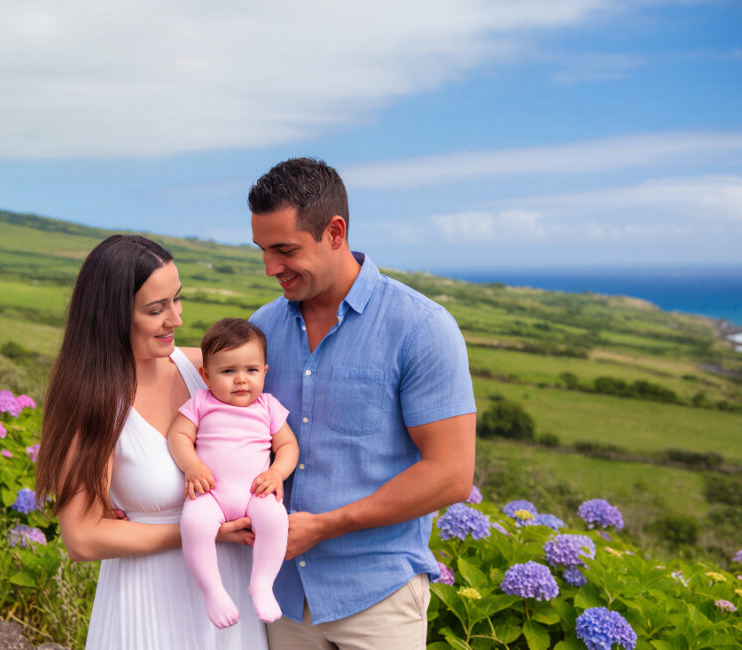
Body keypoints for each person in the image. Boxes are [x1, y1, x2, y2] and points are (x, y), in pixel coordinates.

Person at [247, 158, 477, 649]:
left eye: (284, 250)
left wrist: (327, 526)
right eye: (262, 251)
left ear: (335, 231)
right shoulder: (261, 329)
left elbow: (452, 474)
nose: (270, 269)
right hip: (282, 598)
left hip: (379, 598)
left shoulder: (422, 328)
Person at [34, 235, 268, 649]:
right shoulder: (93, 401)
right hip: (148, 602)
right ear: (111, 316)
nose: (175, 319)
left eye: (177, 300)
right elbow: (83, 538)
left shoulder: (206, 370)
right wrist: (203, 531)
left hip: (231, 598)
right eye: (156, 309)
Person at [168, 318, 300, 629]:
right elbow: (178, 436)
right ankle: (212, 590)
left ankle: (262, 584)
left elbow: (288, 446)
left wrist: (278, 473)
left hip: (256, 492)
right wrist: (193, 466)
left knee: (276, 520)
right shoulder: (202, 402)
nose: (241, 380)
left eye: (251, 371)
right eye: (228, 371)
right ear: (206, 375)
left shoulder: (268, 407)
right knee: (193, 524)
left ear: (264, 372)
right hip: (210, 494)